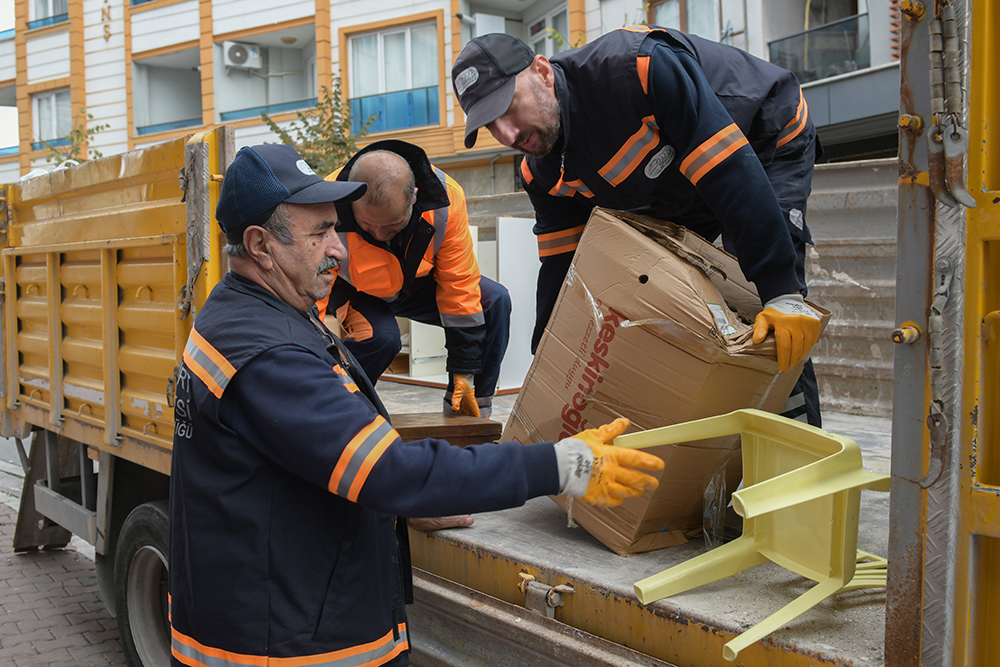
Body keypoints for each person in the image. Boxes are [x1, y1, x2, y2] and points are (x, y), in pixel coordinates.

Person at [167, 143, 664, 667]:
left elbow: (318, 464)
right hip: (288, 648)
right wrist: (562, 464)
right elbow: (387, 471)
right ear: (261, 245)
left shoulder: (256, 312)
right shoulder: (268, 353)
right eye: (320, 234)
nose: (338, 249)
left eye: (335, 229)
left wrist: (401, 499)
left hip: (286, 622)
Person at [451, 28, 824, 426]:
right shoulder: (541, 172)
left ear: (542, 72)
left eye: (509, 107)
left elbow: (726, 170)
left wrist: (781, 289)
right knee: (673, 299)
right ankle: (718, 450)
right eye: (491, 125)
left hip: (762, 133)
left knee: (761, 308)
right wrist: (550, 362)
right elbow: (564, 269)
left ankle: (798, 459)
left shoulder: (637, 70)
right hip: (679, 185)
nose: (507, 135)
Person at [317, 139, 508, 418]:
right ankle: (336, 410)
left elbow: (459, 285)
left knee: (495, 300)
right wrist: (310, 361)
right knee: (382, 338)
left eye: (392, 225)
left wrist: (465, 371)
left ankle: (469, 410)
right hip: (357, 288)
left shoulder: (446, 200)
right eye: (367, 226)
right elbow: (313, 297)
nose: (379, 234)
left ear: (414, 197)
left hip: (417, 284)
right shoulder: (327, 201)